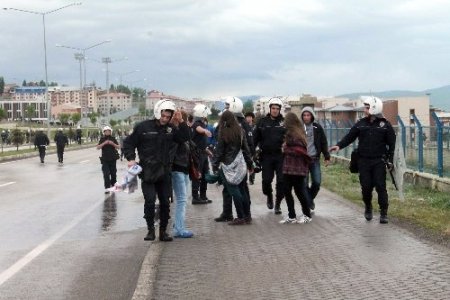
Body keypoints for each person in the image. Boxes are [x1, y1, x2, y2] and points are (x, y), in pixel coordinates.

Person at [123, 99, 190, 242]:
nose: (165, 119)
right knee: (150, 201)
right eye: (163, 116)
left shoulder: (171, 129)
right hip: (147, 172)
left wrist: (181, 121)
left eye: (168, 116)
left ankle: (163, 231)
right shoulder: (143, 127)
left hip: (164, 172)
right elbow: (128, 143)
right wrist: (130, 158)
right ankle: (150, 230)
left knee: (165, 202)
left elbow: (185, 137)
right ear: (157, 112)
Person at [329, 96, 396, 224]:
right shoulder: (361, 124)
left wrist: (390, 160)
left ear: (374, 108)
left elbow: (392, 145)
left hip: (378, 161)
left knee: (381, 187)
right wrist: (338, 145)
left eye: (367, 107)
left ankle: (383, 213)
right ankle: (368, 207)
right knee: (366, 187)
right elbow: (349, 137)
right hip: (363, 161)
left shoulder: (385, 125)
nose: (364, 109)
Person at [214, 97, 253, 222]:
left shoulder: (223, 131)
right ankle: (245, 215)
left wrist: (215, 164)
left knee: (234, 190)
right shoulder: (241, 129)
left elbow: (219, 150)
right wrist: (250, 163)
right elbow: (247, 148)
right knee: (242, 190)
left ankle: (240, 215)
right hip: (240, 164)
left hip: (228, 165)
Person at [253, 97, 286, 214]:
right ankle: (269, 196)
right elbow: (254, 139)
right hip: (266, 156)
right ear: (270, 108)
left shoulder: (284, 122)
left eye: (277, 108)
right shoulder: (262, 122)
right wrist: (252, 154)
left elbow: (291, 138)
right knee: (266, 181)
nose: (275, 110)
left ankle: (278, 204)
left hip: (281, 157)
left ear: (280, 110)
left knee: (281, 181)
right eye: (273, 108)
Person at [280, 112, 312, 224]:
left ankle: (306, 215)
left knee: (299, 192)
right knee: (289, 191)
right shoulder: (296, 132)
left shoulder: (295, 134)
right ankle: (292, 216)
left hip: (295, 168)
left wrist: (285, 148)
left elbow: (299, 150)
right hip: (291, 168)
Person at [300, 107, 331, 212]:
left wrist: (327, 156)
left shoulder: (317, 127)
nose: (306, 117)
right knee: (303, 184)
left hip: (314, 159)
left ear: (312, 116)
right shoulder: (299, 128)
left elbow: (323, 142)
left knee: (317, 182)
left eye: (308, 115)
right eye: (304, 115)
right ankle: (309, 202)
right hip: (302, 160)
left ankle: (309, 199)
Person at [171, 110, 194, 238]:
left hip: (184, 169)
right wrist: (180, 121)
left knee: (183, 199)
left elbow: (187, 137)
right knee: (181, 200)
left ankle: (177, 225)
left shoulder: (180, 131)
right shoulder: (173, 131)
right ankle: (179, 229)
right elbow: (184, 136)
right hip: (177, 169)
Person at [190, 103, 213, 205]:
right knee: (197, 175)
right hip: (197, 154)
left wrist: (207, 151)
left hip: (203, 153)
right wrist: (205, 131)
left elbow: (202, 141)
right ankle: (195, 197)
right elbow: (198, 129)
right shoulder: (197, 123)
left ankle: (203, 196)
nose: (207, 115)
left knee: (205, 175)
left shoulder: (203, 123)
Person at [97, 126, 120, 194]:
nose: (107, 132)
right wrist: (104, 143)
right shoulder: (102, 139)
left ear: (110, 132)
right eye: (106, 131)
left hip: (113, 159)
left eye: (108, 131)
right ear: (103, 132)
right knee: (106, 174)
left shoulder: (113, 138)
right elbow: (98, 147)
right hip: (105, 159)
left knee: (113, 174)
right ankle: (107, 188)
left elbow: (119, 146)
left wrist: (112, 144)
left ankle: (113, 185)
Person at [245, 111, 256, 185]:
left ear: (252, 118)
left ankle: (251, 179)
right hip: (246, 148)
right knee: (245, 164)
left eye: (250, 117)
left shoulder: (255, 127)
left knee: (252, 164)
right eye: (247, 117)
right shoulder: (244, 127)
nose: (249, 118)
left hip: (254, 147)